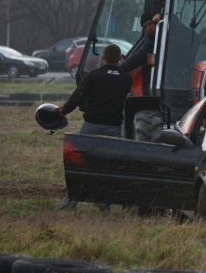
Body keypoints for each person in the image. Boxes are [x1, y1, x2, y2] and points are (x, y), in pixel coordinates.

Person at [58, 43, 133, 211]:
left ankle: (70, 202)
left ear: (103, 58)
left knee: (78, 165)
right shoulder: (127, 79)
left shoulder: (93, 76)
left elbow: (77, 97)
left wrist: (63, 111)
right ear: (120, 58)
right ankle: (105, 201)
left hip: (90, 127)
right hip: (114, 129)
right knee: (111, 166)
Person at [119, 12, 161, 96]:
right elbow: (138, 56)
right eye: (145, 27)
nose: (148, 28)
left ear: (157, 22)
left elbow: (140, 55)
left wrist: (118, 69)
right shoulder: (151, 39)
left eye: (150, 24)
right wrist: (119, 68)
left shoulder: (171, 32)